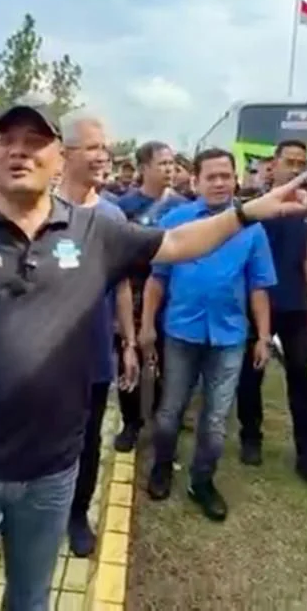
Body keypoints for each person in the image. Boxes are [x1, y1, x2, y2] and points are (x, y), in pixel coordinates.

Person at [0, 100, 307, 610]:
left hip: (50, 468)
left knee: (30, 599)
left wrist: (245, 213)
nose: (19, 152)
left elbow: (177, 242)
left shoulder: (95, 232)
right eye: (7, 141)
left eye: (35, 142)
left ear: (58, 158)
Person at [142, 148, 277, 522]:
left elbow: (259, 286)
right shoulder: (176, 220)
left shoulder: (253, 228)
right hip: (181, 333)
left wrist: (263, 336)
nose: (219, 183)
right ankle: (162, 466)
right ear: (196, 181)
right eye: (211, 177)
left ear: (235, 179)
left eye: (225, 176)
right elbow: (157, 279)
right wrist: (146, 325)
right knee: (169, 412)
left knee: (215, 423)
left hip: (229, 338)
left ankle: (201, 482)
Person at [54, 113, 137, 558]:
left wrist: (128, 343)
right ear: (64, 153)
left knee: (87, 441)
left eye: (104, 146)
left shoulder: (112, 215)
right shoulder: (41, 210)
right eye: (92, 147)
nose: (102, 155)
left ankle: (77, 514)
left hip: (94, 355)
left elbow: (121, 286)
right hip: (42, 356)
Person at [235, 141, 307, 490]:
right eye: (289, 162)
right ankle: (251, 436)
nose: (295, 169)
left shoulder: (305, 209)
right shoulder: (254, 208)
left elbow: (306, 257)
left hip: (295, 306)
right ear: (273, 165)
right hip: (257, 303)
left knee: (301, 378)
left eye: (301, 163)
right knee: (251, 375)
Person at [111, 141, 184, 453]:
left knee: (171, 361)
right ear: (143, 168)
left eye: (171, 163)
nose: (169, 169)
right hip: (133, 292)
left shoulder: (183, 206)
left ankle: (162, 419)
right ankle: (131, 422)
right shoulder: (123, 207)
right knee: (130, 358)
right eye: (162, 163)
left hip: (172, 294)